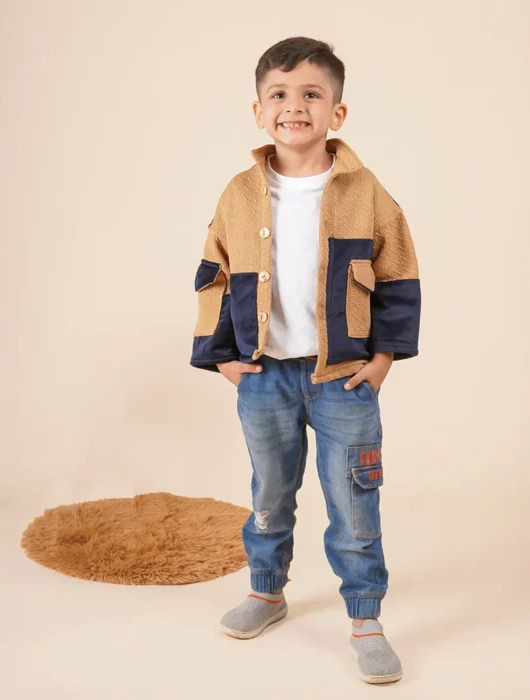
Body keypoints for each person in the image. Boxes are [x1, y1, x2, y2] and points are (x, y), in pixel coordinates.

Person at [190, 36, 421, 685]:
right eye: (279, 95)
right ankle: (267, 590)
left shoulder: (365, 191)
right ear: (259, 111)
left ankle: (366, 619)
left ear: (336, 113)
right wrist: (223, 357)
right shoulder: (239, 193)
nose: (294, 106)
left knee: (354, 499)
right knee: (269, 490)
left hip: (342, 378)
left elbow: (399, 274)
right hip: (264, 377)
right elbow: (213, 274)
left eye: (311, 94)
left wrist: (383, 359)